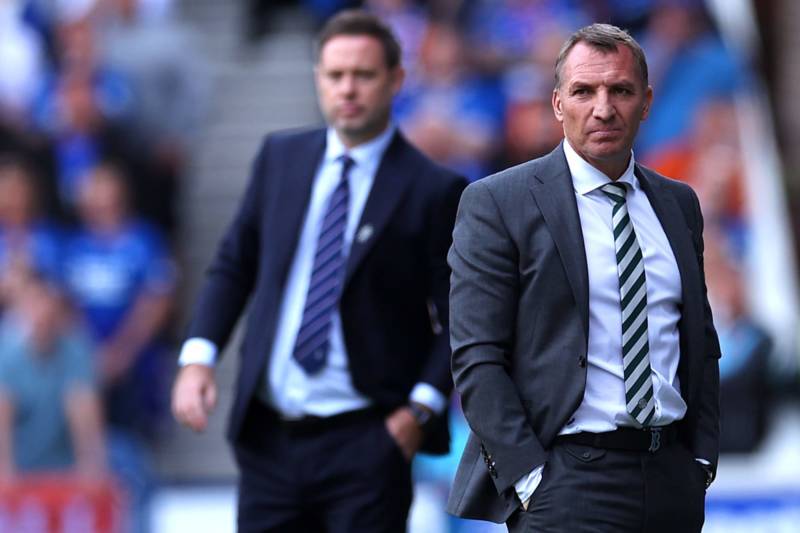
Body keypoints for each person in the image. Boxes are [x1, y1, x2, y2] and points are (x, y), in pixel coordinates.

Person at [171, 10, 465, 533]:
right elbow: (234, 264)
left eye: (363, 75)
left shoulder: (433, 189)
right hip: (269, 439)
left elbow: (460, 317)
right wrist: (198, 358)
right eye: (335, 75)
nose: (347, 88)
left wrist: (419, 411)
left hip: (369, 443)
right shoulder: (280, 158)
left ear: (396, 79)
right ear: (318, 79)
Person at [446, 23, 721, 532]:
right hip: (566, 483)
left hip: (671, 481)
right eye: (583, 91)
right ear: (557, 104)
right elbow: (476, 356)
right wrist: (529, 479)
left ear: (646, 102)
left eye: (621, 90)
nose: (603, 108)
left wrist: (700, 460)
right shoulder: (498, 203)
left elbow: (700, 341)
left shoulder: (678, 204)